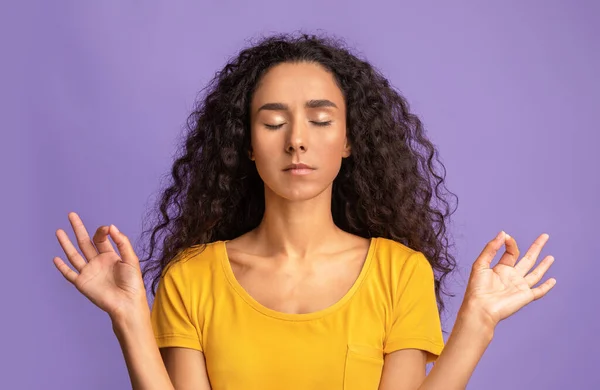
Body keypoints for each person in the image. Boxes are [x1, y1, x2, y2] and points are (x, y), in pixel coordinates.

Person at [53, 32, 556, 390]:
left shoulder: (400, 273)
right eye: (273, 123)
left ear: (349, 140)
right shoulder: (192, 276)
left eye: (319, 120)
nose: (297, 141)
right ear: (247, 145)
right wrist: (129, 317)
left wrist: (478, 321)